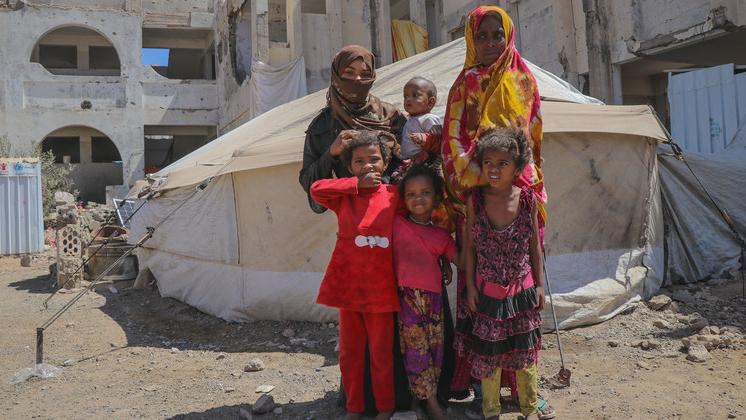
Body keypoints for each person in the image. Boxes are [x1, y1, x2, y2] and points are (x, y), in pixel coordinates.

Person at [441, 6, 554, 419]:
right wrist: (482, 176)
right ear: (472, 40)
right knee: (481, 295)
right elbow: (452, 140)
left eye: (497, 34)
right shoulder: (464, 85)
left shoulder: (524, 79)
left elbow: (533, 137)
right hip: (478, 202)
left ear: (508, 36)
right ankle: (480, 384)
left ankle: (525, 387)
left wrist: (519, 179)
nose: (490, 42)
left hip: (520, 198)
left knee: (523, 298)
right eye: (482, 36)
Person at [455, 127, 544, 420]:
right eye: (488, 163)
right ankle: (490, 411)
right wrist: (470, 288)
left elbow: (534, 246)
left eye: (503, 163)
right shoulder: (475, 200)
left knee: (524, 354)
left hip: (523, 291)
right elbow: (469, 247)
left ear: (517, 168)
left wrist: (540, 286)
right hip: (488, 293)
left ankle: (529, 408)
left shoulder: (527, 199)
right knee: (488, 356)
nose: (494, 169)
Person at [310, 131, 399, 420]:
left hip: (381, 291)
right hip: (348, 289)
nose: (368, 165)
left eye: (374, 159)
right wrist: (355, 185)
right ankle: (354, 407)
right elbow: (316, 190)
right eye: (359, 161)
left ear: (385, 163)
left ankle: (385, 407)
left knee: (381, 353)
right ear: (350, 167)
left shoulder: (395, 196)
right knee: (350, 354)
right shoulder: (345, 197)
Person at [300, 45, 406, 213]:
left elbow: (418, 162)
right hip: (354, 218)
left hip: (398, 214)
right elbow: (310, 184)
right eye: (349, 72)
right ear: (336, 74)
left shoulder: (391, 116)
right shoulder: (323, 126)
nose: (357, 79)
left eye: (365, 74)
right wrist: (331, 154)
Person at [393, 164, 457, 420]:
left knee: (436, 354)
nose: (418, 198)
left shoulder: (441, 235)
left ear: (437, 197)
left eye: (425, 192)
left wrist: (469, 221)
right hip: (407, 300)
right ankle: (431, 405)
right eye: (411, 194)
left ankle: (420, 399)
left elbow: (461, 260)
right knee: (416, 353)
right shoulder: (396, 224)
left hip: (434, 302)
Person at [399, 77, 442, 169]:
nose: (408, 99)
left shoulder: (429, 118)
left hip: (426, 162)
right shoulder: (410, 120)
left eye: (415, 95)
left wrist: (423, 138)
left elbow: (439, 140)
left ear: (430, 102)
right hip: (409, 161)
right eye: (405, 96)